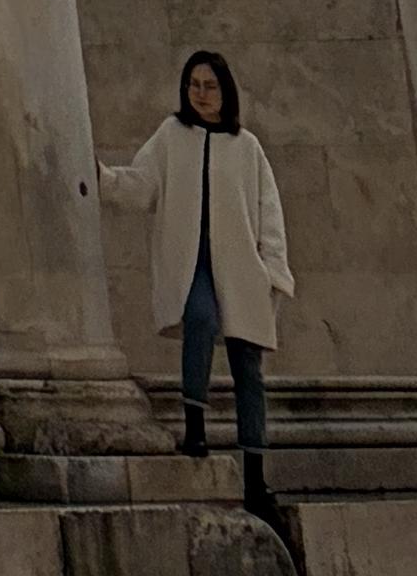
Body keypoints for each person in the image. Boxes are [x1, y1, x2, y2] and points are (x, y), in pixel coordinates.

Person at [104, 48, 292, 503]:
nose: (201, 94)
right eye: (194, 85)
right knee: (200, 319)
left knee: (248, 368)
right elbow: (143, 184)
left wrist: (273, 271)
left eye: (209, 86)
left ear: (225, 91)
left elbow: (269, 210)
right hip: (193, 262)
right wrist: (100, 179)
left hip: (242, 268)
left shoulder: (247, 147)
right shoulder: (172, 136)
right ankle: (195, 428)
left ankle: (255, 475)